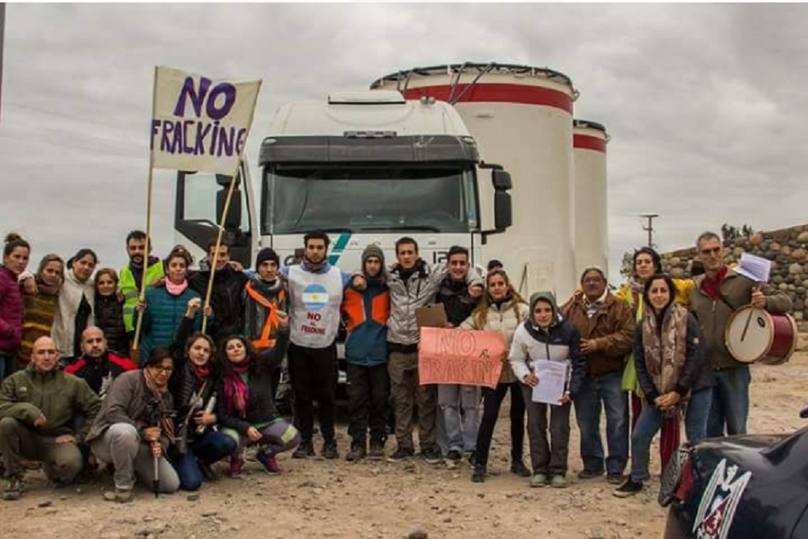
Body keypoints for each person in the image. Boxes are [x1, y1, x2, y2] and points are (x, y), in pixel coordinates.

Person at [385, 237, 482, 463]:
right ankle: (404, 446)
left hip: (423, 346)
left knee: (426, 399)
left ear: (417, 253)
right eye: (402, 253)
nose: (407, 256)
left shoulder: (431, 275)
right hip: (397, 346)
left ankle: (428, 445)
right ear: (397, 256)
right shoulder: (389, 276)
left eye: (410, 252)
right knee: (401, 400)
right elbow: (368, 268)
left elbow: (462, 268)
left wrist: (476, 282)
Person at [688, 231, 791, 437]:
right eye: (706, 252)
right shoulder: (694, 289)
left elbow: (786, 301)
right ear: (698, 255)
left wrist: (766, 301)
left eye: (716, 250)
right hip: (706, 371)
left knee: (737, 431)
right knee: (711, 433)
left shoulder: (745, 280)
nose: (712, 255)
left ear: (723, 251)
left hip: (734, 368)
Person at [614, 274, 708, 497]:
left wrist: (679, 391)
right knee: (640, 434)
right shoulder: (642, 326)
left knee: (696, 439)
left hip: (694, 387)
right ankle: (637, 478)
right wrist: (652, 395)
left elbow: (696, 356)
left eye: (663, 290)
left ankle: (698, 483)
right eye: (654, 291)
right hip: (659, 391)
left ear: (671, 293)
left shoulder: (686, 318)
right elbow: (640, 362)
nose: (658, 295)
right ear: (647, 295)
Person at [280, 231, 353, 460]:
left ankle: (330, 442)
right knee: (301, 396)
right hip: (299, 344)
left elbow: (366, 279)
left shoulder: (340, 276)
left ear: (326, 249)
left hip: (325, 345)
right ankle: (305, 442)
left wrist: (362, 277)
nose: (315, 251)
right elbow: (261, 273)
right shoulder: (289, 273)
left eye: (319, 247)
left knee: (327, 397)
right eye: (311, 247)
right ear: (305, 248)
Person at [0, 336, 101, 500]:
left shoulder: (73, 383)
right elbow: (2, 406)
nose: (46, 357)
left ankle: (53, 469)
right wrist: (27, 410)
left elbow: (97, 409)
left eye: (51, 352)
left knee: (71, 464)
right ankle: (14, 477)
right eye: (41, 352)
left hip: (56, 441)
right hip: (26, 438)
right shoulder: (15, 380)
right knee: (7, 424)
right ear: (32, 356)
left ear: (57, 356)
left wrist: (79, 437)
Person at [560, 267, 634, 484]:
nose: (592, 283)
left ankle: (616, 468)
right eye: (588, 280)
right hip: (583, 375)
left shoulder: (619, 306)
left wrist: (599, 344)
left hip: (612, 373)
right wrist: (569, 302)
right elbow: (557, 322)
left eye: (596, 280)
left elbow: (629, 336)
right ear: (582, 284)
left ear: (604, 282)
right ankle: (592, 464)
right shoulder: (573, 307)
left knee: (618, 421)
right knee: (586, 422)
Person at [509, 291, 586, 488]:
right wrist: (525, 375)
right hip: (534, 383)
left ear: (553, 310)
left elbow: (578, 362)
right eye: (538, 311)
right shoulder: (523, 331)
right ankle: (540, 469)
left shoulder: (568, 330)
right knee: (535, 424)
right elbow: (516, 358)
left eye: (547, 310)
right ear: (532, 312)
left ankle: (558, 470)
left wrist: (571, 390)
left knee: (559, 427)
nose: (543, 315)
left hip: (560, 384)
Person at [87, 347, 180, 503]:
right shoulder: (128, 380)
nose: (164, 373)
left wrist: (160, 445)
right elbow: (113, 412)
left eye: (168, 369)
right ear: (148, 366)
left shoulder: (166, 397)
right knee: (126, 432)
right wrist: (142, 431)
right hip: (107, 438)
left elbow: (165, 431)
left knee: (170, 484)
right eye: (159, 367)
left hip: (140, 445)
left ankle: (130, 469)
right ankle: (123, 487)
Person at [463, 269, 531, 482]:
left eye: (500, 283)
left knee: (518, 416)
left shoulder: (523, 311)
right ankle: (480, 463)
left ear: (507, 285)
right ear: (488, 288)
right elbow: (462, 333)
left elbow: (534, 333)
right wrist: (441, 335)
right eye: (492, 285)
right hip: (494, 374)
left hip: (519, 372)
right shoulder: (481, 315)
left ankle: (517, 460)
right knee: (489, 416)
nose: (497, 288)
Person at [170, 299, 237, 491]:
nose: (201, 353)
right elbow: (178, 343)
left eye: (206, 350)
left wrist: (212, 418)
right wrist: (190, 314)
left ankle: (202, 461)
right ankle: (179, 461)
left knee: (227, 443)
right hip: (179, 436)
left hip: (200, 434)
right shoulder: (179, 370)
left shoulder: (214, 376)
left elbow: (223, 410)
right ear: (188, 351)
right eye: (197, 348)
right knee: (192, 483)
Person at [217, 335, 300, 476]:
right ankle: (237, 457)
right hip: (238, 426)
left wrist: (283, 330)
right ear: (225, 354)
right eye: (230, 348)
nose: (236, 349)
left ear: (246, 348)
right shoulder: (222, 377)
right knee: (229, 440)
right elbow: (223, 415)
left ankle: (266, 454)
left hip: (265, 421)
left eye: (239, 346)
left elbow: (279, 350)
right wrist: (246, 428)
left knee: (292, 436)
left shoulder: (261, 364)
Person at [341, 244, 390, 461]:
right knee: (356, 401)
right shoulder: (349, 288)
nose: (372, 265)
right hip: (356, 354)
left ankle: (378, 441)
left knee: (380, 400)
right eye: (369, 261)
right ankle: (358, 443)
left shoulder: (388, 288)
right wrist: (354, 276)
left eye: (376, 261)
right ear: (363, 264)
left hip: (380, 354)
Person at [435, 246, 482, 466]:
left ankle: (472, 446)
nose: (458, 267)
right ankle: (454, 445)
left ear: (468, 266)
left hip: (470, 354)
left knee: (471, 405)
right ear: (447, 265)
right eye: (454, 263)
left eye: (462, 263)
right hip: (444, 353)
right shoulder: (437, 288)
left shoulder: (477, 290)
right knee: (447, 403)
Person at [139, 249, 204, 365]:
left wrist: (209, 315)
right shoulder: (150, 293)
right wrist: (140, 312)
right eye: (174, 265)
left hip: (180, 357)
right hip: (153, 354)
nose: (178, 268)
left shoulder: (194, 296)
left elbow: (196, 329)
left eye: (182, 266)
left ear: (186, 270)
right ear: (167, 269)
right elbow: (141, 326)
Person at [243, 247, 288, 395]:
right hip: (252, 351)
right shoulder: (246, 288)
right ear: (257, 267)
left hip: (276, 350)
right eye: (264, 265)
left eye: (273, 265)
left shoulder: (284, 289)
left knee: (273, 394)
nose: (269, 269)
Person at [189, 239, 248, 342]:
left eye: (223, 254)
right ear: (208, 256)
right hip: (209, 337)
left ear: (228, 256)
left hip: (233, 337)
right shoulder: (196, 280)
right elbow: (179, 277)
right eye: (214, 254)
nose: (219, 259)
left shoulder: (238, 277)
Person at [18, 254, 64, 367]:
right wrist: (26, 277)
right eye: (49, 270)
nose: (53, 275)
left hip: (45, 355)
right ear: (41, 270)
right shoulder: (28, 288)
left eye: (57, 272)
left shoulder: (59, 294)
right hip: (20, 351)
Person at [65, 326, 138, 397]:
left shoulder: (125, 364)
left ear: (105, 343)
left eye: (99, 340)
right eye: (89, 341)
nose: (95, 345)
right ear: (82, 346)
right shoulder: (71, 371)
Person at [52, 248, 97, 360]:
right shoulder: (61, 279)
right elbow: (41, 277)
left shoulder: (92, 286)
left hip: (83, 348)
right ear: (74, 262)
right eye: (83, 263)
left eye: (90, 265)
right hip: (62, 345)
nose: (86, 267)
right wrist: (27, 277)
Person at [119, 230, 165, 340]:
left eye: (142, 248)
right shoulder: (124, 271)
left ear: (150, 249)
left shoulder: (162, 268)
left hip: (154, 328)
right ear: (127, 249)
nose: (137, 251)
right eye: (133, 248)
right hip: (131, 330)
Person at [0, 234, 30, 379]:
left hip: (9, 349)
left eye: (25, 258)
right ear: (6, 258)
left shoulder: (14, 281)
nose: (21, 262)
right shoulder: (2, 278)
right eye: (16, 257)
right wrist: (9, 331)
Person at [94, 268, 129, 357]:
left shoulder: (124, 303)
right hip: (96, 352)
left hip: (119, 353)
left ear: (116, 284)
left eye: (109, 282)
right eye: (101, 283)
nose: (106, 286)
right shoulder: (92, 303)